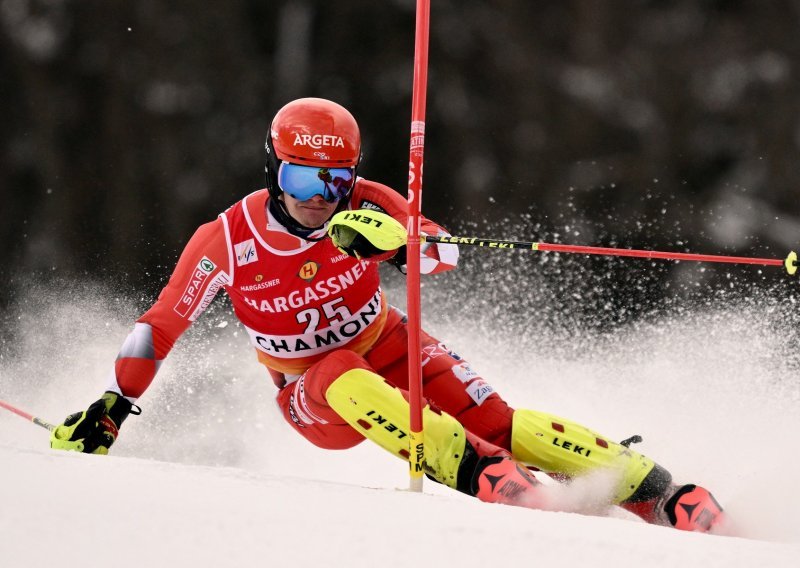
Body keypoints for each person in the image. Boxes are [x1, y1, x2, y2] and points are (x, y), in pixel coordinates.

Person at [50, 97, 723, 532]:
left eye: (334, 181)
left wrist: (405, 241)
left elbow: (445, 254)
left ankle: (657, 492)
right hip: (312, 392)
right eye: (302, 180)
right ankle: (482, 476)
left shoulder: (365, 202)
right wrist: (115, 401)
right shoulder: (226, 239)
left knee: (496, 419)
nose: (321, 199)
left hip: (393, 341)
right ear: (272, 172)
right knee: (342, 367)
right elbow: (161, 324)